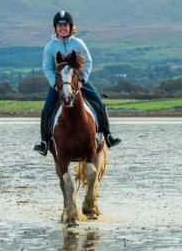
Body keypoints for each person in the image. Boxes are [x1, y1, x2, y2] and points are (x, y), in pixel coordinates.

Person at [33, 11, 122, 154]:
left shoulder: (78, 43)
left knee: (99, 103)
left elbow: (88, 62)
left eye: (65, 25)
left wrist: (82, 80)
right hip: (60, 84)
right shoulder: (50, 47)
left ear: (70, 27)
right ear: (55, 27)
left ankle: (108, 135)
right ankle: (44, 142)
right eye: (60, 26)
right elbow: (47, 67)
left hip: (78, 81)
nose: (63, 28)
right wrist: (54, 84)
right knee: (46, 109)